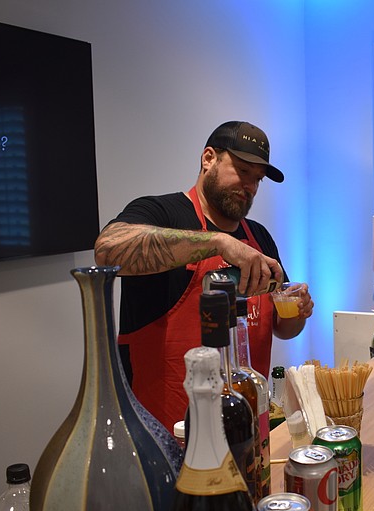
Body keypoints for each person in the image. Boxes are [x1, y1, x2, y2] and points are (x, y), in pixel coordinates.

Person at [95, 121, 314, 430]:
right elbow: (107, 250)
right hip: (167, 435)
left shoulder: (259, 237)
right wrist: (218, 242)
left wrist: (298, 310)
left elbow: (282, 327)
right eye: (242, 170)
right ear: (209, 158)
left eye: (257, 179)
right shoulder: (162, 213)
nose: (250, 186)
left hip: (246, 427)